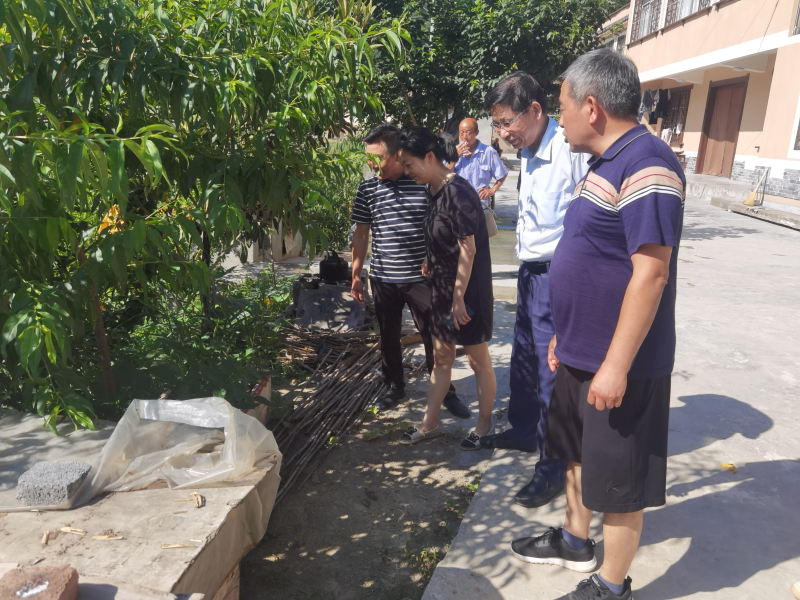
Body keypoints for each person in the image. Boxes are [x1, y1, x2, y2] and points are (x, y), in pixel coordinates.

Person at [510, 49, 685, 600]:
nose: (559, 119)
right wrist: (566, 333)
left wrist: (615, 365)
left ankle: (611, 586)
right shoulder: (607, 162)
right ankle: (573, 539)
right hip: (582, 349)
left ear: (591, 107)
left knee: (620, 479)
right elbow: (591, 254)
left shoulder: (648, 165)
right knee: (578, 451)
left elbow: (651, 275)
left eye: (562, 106)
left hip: (622, 363)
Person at [479, 72, 590, 509]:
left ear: (535, 110)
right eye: (497, 124)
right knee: (524, 357)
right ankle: (525, 430)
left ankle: (553, 467)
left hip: (556, 274)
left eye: (507, 122)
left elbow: (584, 225)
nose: (502, 133)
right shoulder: (528, 150)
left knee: (550, 375)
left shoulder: (568, 150)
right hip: (530, 272)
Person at [351, 124, 470, 419]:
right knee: (388, 335)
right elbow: (361, 235)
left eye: (378, 157)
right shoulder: (367, 190)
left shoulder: (422, 182)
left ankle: (445, 391)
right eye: (367, 158)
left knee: (434, 335)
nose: (371, 164)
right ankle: (393, 385)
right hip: (383, 277)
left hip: (421, 278)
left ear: (397, 155)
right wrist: (356, 274)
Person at [394, 127, 496, 451]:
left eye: (409, 165)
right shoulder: (433, 189)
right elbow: (440, 233)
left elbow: (469, 249)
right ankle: (430, 425)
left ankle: (484, 425)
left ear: (429, 157)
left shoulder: (459, 192)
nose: (406, 172)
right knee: (441, 358)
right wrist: (430, 258)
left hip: (467, 293)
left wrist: (458, 298)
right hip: (441, 287)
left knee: (478, 361)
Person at [453, 118, 508, 209]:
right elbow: (442, 175)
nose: (464, 136)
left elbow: (503, 173)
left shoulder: (488, 152)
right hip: (457, 207)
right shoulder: (452, 151)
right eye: (461, 133)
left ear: (476, 132)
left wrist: (492, 190)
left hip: (480, 207)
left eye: (468, 132)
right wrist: (454, 157)